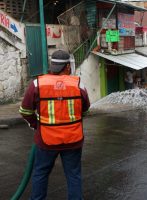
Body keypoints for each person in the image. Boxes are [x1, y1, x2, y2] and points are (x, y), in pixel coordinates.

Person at [19, 50, 90, 200]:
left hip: (46, 140)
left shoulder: (37, 84)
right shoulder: (78, 84)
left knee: (41, 173)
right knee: (73, 175)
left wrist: (36, 125)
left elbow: (25, 110)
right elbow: (85, 109)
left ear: (52, 66)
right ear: (67, 67)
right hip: (73, 140)